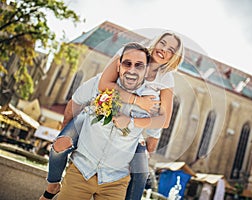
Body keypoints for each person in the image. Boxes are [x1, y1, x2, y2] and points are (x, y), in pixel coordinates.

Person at [40, 31, 184, 200]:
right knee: (60, 144)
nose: (164, 49)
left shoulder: (166, 79)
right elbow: (103, 84)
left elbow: (164, 120)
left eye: (171, 50)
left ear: (174, 58)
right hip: (96, 115)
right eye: (163, 43)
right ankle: (52, 187)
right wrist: (138, 101)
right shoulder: (130, 52)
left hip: (130, 130)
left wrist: (133, 123)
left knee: (142, 173)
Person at [56, 42, 155, 199]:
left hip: (116, 182)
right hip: (81, 170)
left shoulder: (152, 100)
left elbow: (153, 138)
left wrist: (140, 153)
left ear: (147, 70)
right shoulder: (98, 83)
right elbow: (73, 104)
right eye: (127, 63)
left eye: (139, 65)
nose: (132, 70)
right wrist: (68, 138)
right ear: (118, 65)